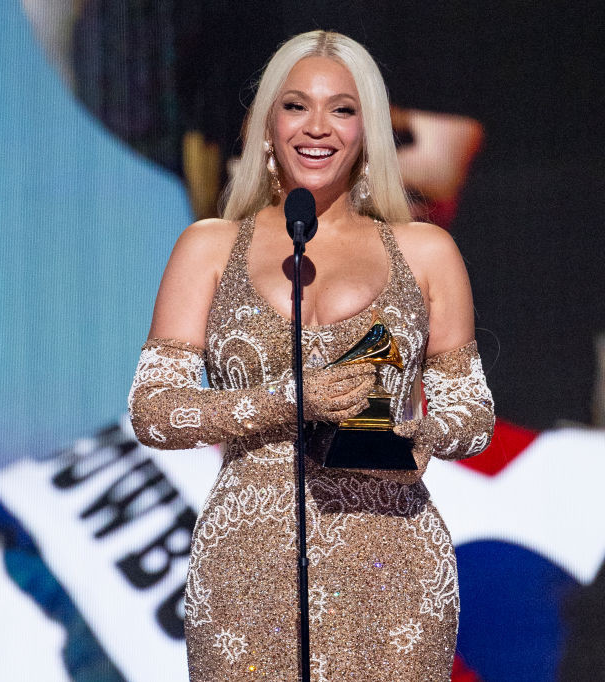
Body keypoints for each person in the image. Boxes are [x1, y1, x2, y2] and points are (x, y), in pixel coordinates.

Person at [127, 30, 494, 681]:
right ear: (265, 124)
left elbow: (471, 413)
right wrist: (290, 400)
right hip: (247, 569)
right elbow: (154, 411)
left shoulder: (425, 252)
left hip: (392, 567)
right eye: (296, 106)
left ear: (368, 128)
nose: (317, 126)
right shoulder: (209, 247)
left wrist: (422, 434)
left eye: (342, 109)